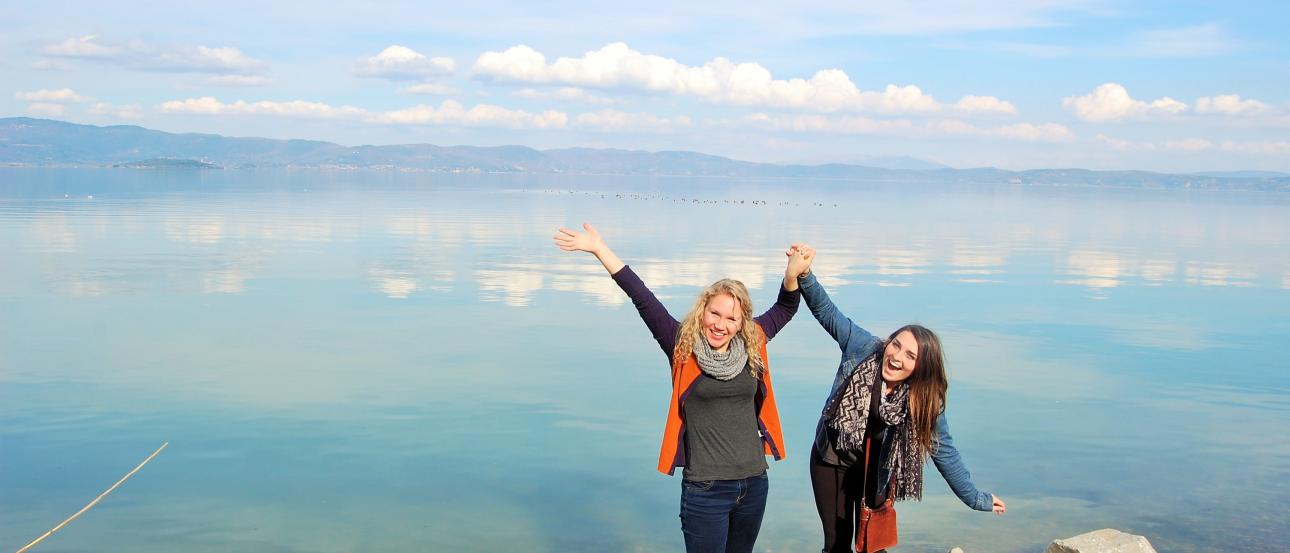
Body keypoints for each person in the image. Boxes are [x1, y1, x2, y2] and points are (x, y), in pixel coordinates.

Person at [554, 223, 811, 553]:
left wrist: (792, 274)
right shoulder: (681, 346)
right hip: (705, 489)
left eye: (731, 319)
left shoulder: (754, 342)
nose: (720, 324)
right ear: (702, 309)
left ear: (741, 322)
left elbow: (787, 306)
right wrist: (599, 248)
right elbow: (642, 297)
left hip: (753, 482)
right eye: (714, 313)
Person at [787, 244, 1005, 553]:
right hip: (831, 460)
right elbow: (828, 312)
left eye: (910, 355)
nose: (897, 356)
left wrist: (975, 498)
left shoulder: (922, 401)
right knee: (836, 545)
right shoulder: (864, 349)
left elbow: (945, 453)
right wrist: (805, 273)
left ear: (921, 368)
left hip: (877, 473)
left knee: (872, 547)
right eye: (896, 345)